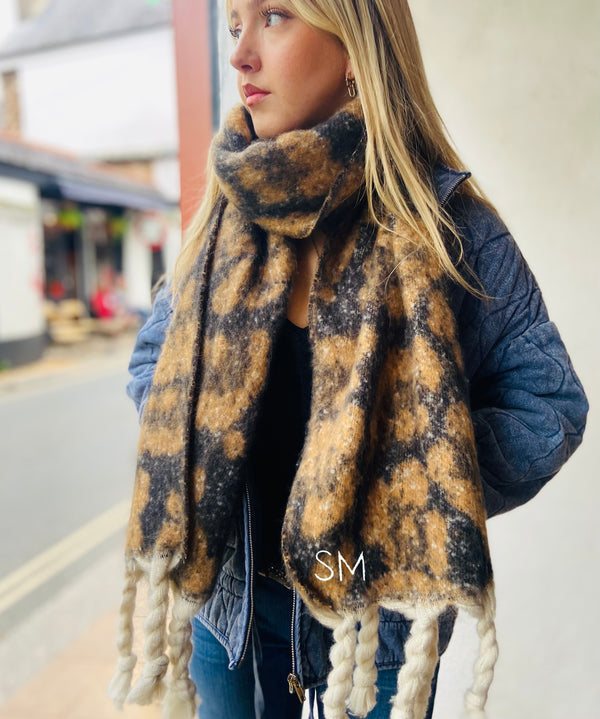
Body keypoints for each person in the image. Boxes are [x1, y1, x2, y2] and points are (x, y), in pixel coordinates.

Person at [110, 2, 588, 719]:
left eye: (274, 16)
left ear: (357, 46)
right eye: (233, 24)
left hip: (373, 617)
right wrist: (198, 445)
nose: (241, 54)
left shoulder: (444, 226)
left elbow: (549, 404)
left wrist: (419, 480)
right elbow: (152, 364)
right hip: (229, 608)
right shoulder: (226, 215)